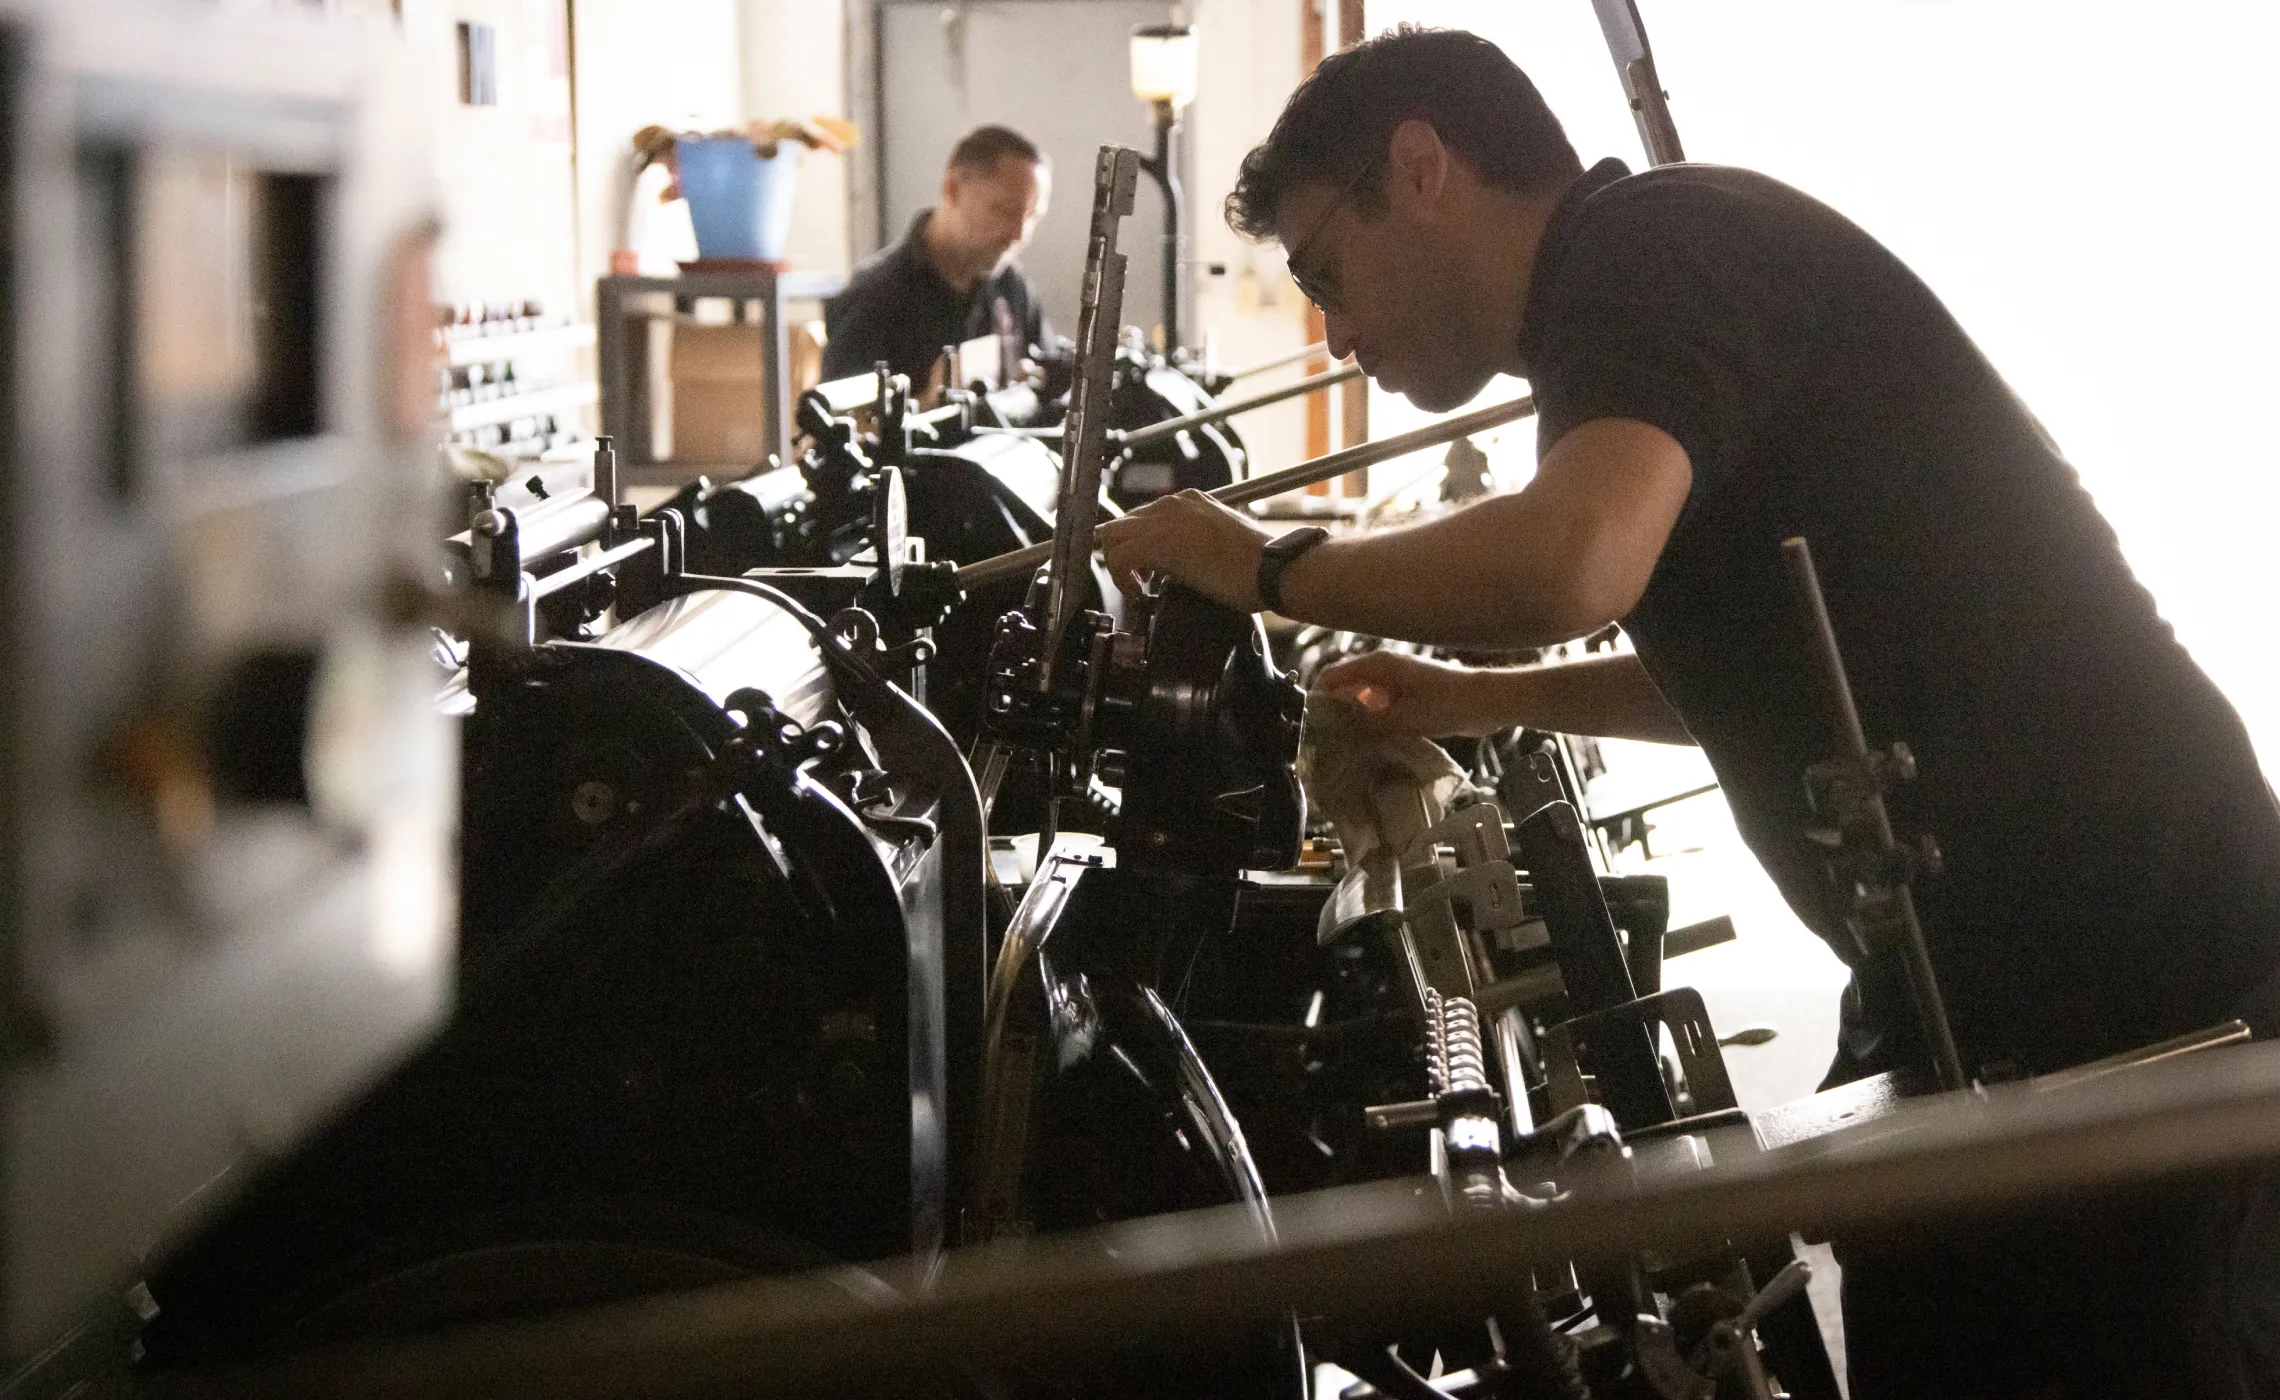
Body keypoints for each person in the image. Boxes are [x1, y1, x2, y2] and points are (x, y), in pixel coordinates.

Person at [1094, 24, 2280, 1400]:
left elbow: (1565, 563)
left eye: (1324, 273)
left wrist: (1259, 563)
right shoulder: (1634, 280)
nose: (1337, 334)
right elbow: (1748, 660)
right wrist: (1474, 697)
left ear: (1420, 170)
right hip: (2010, 968)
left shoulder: (1647, 253)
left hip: (2139, 979)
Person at [822, 124, 1053, 389]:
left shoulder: (1011, 286)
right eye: (1006, 210)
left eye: (1032, 217)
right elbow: (839, 425)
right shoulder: (874, 299)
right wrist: (929, 407)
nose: (1020, 234)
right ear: (953, 188)